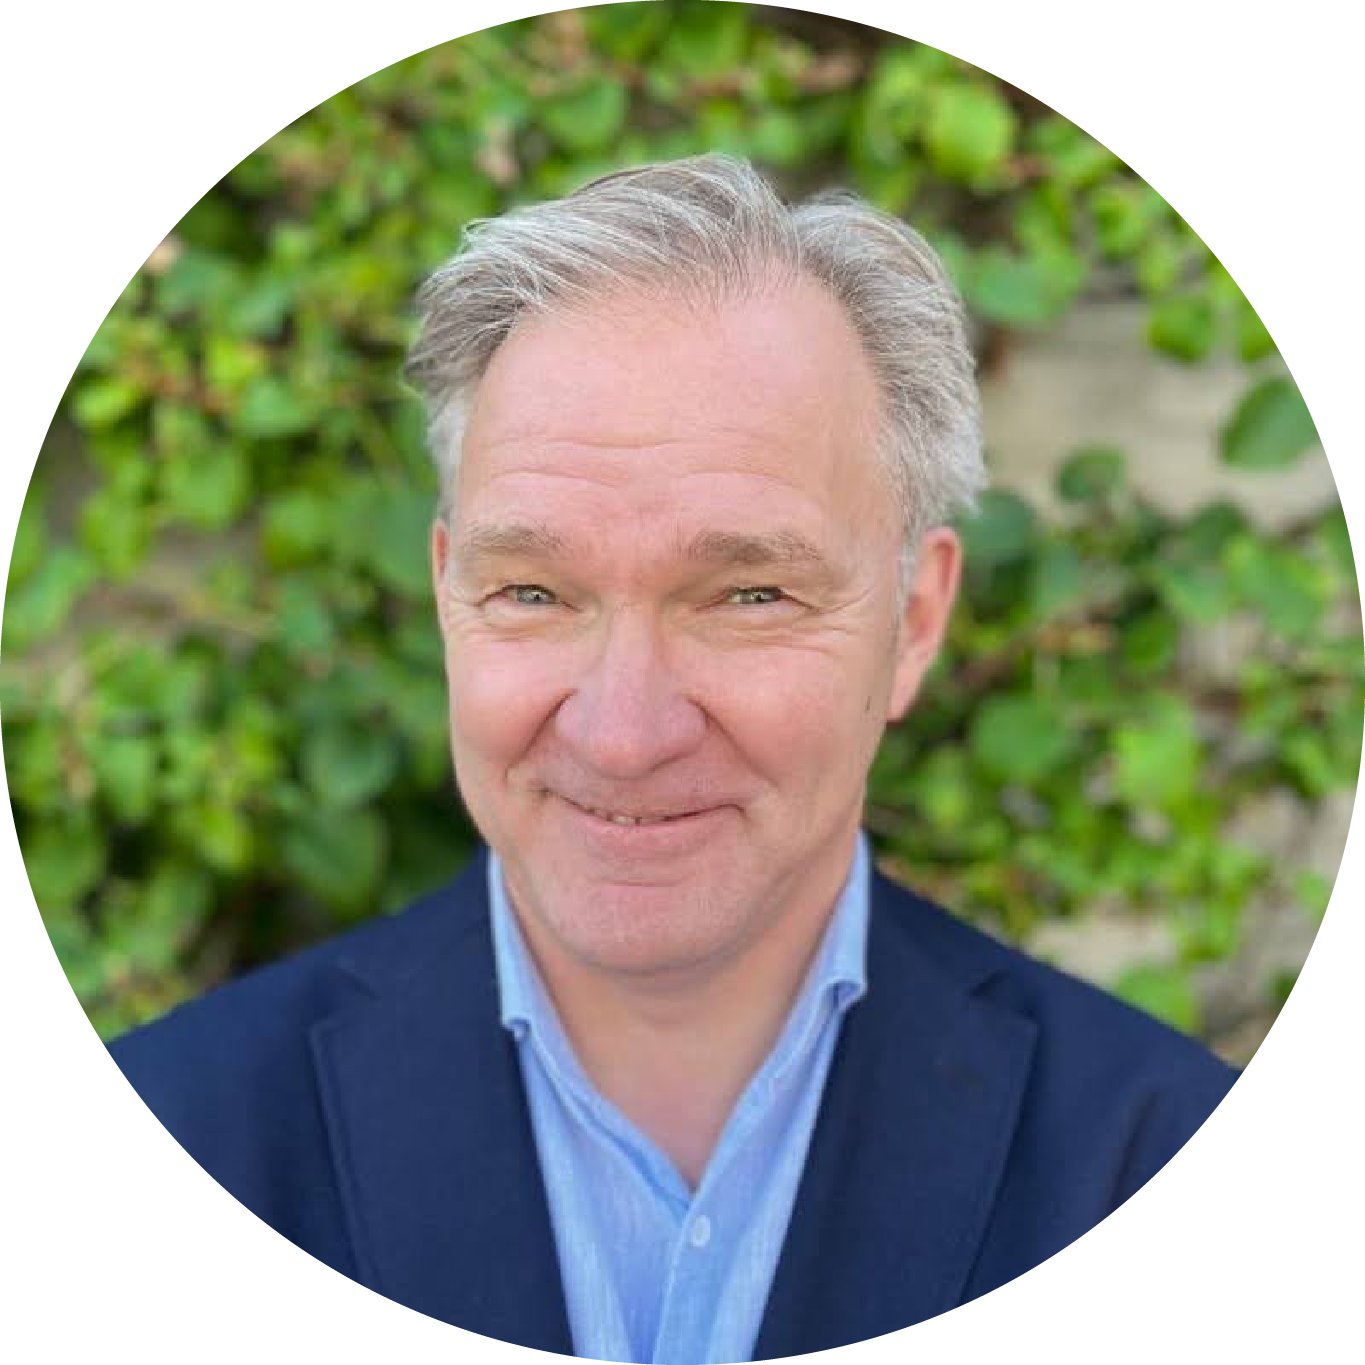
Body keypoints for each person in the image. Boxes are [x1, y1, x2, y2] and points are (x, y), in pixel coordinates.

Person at [111, 155, 1237, 1363]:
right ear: (448, 594)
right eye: (533, 590)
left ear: (915, 620)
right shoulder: (154, 1154)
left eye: (749, 594)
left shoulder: (1174, 1175)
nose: (622, 731)